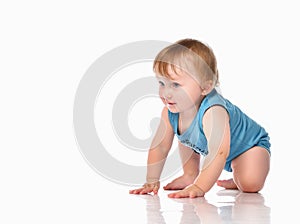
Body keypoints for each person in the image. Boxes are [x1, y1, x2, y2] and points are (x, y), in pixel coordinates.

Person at [129, 38, 271, 198]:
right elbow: (160, 146)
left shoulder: (213, 111)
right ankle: (190, 174)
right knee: (184, 131)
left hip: (249, 147)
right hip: (220, 150)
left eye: (175, 85)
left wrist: (200, 186)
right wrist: (151, 180)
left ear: (205, 87)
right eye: (162, 83)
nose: (166, 93)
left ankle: (238, 177)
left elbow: (219, 152)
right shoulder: (171, 111)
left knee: (250, 184)